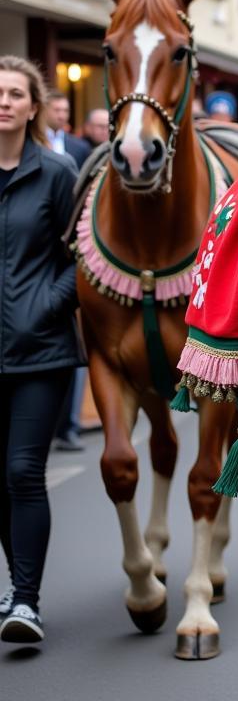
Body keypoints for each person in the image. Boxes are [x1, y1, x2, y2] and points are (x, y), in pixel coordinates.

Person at [0, 57, 81, 643]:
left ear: (33, 107)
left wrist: (42, 308)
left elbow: (83, 258)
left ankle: (26, 602)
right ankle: (17, 588)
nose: (3, 101)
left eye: (14, 94)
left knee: (24, 470)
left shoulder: (55, 172)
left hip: (40, 352)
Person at [43, 92, 90, 169]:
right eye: (57, 110)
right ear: (44, 111)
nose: (62, 116)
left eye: (66, 111)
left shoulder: (81, 147)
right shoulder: (30, 142)